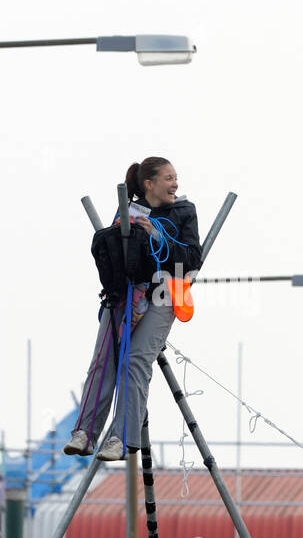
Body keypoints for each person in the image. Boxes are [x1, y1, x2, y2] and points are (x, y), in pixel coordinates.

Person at [64, 157, 203, 461]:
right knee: (104, 361)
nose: (175, 184)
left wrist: (157, 235)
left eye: (176, 177)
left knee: (135, 362)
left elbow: (193, 259)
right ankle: (85, 432)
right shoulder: (129, 210)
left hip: (163, 294)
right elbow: (115, 254)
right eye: (168, 178)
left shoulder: (183, 212)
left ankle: (120, 438)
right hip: (126, 293)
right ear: (149, 183)